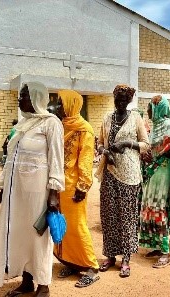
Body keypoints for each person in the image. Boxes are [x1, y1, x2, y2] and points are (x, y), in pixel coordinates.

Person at [0, 82, 64, 297]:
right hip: (17, 191)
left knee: (38, 236)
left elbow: (56, 159)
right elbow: (11, 160)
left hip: (38, 190)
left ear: (35, 98)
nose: (19, 99)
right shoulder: (24, 124)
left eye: (23, 95)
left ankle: (43, 285)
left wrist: (54, 192)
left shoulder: (51, 123)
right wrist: (3, 186)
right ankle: (27, 281)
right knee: (20, 232)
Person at [95, 84, 149, 277]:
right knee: (109, 216)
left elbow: (146, 145)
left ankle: (126, 257)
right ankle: (110, 255)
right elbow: (100, 143)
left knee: (126, 217)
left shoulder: (135, 118)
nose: (120, 103)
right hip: (110, 171)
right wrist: (105, 152)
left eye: (124, 100)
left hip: (130, 175)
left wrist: (128, 143)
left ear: (129, 101)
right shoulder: (107, 118)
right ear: (114, 99)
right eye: (118, 100)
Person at [52, 90, 100, 287]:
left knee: (78, 226)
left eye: (61, 104)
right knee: (63, 226)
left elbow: (86, 160)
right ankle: (72, 261)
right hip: (57, 185)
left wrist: (83, 186)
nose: (57, 107)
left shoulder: (84, 129)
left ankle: (91, 266)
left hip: (73, 187)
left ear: (71, 105)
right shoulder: (60, 126)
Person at [139, 95, 170, 268]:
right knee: (150, 207)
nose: (149, 111)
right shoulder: (156, 127)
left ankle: (165, 252)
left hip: (163, 172)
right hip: (153, 173)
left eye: (150, 108)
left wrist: (163, 151)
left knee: (160, 208)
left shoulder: (168, 126)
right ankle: (157, 246)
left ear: (158, 109)